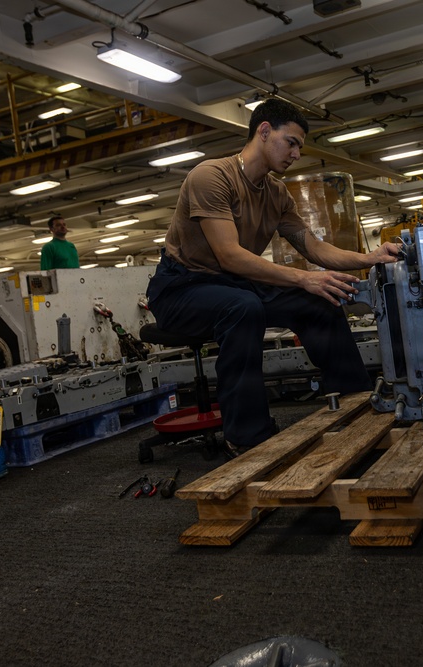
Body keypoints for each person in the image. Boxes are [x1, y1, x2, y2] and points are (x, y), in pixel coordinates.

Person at [146, 99, 401, 453]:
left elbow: (312, 247)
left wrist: (369, 257)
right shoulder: (212, 176)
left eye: (299, 146)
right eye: (291, 142)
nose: (296, 154)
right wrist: (303, 278)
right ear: (264, 131)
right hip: (180, 288)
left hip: (231, 285)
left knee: (318, 301)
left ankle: (355, 406)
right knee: (244, 307)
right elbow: (230, 255)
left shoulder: (276, 193)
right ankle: (247, 438)